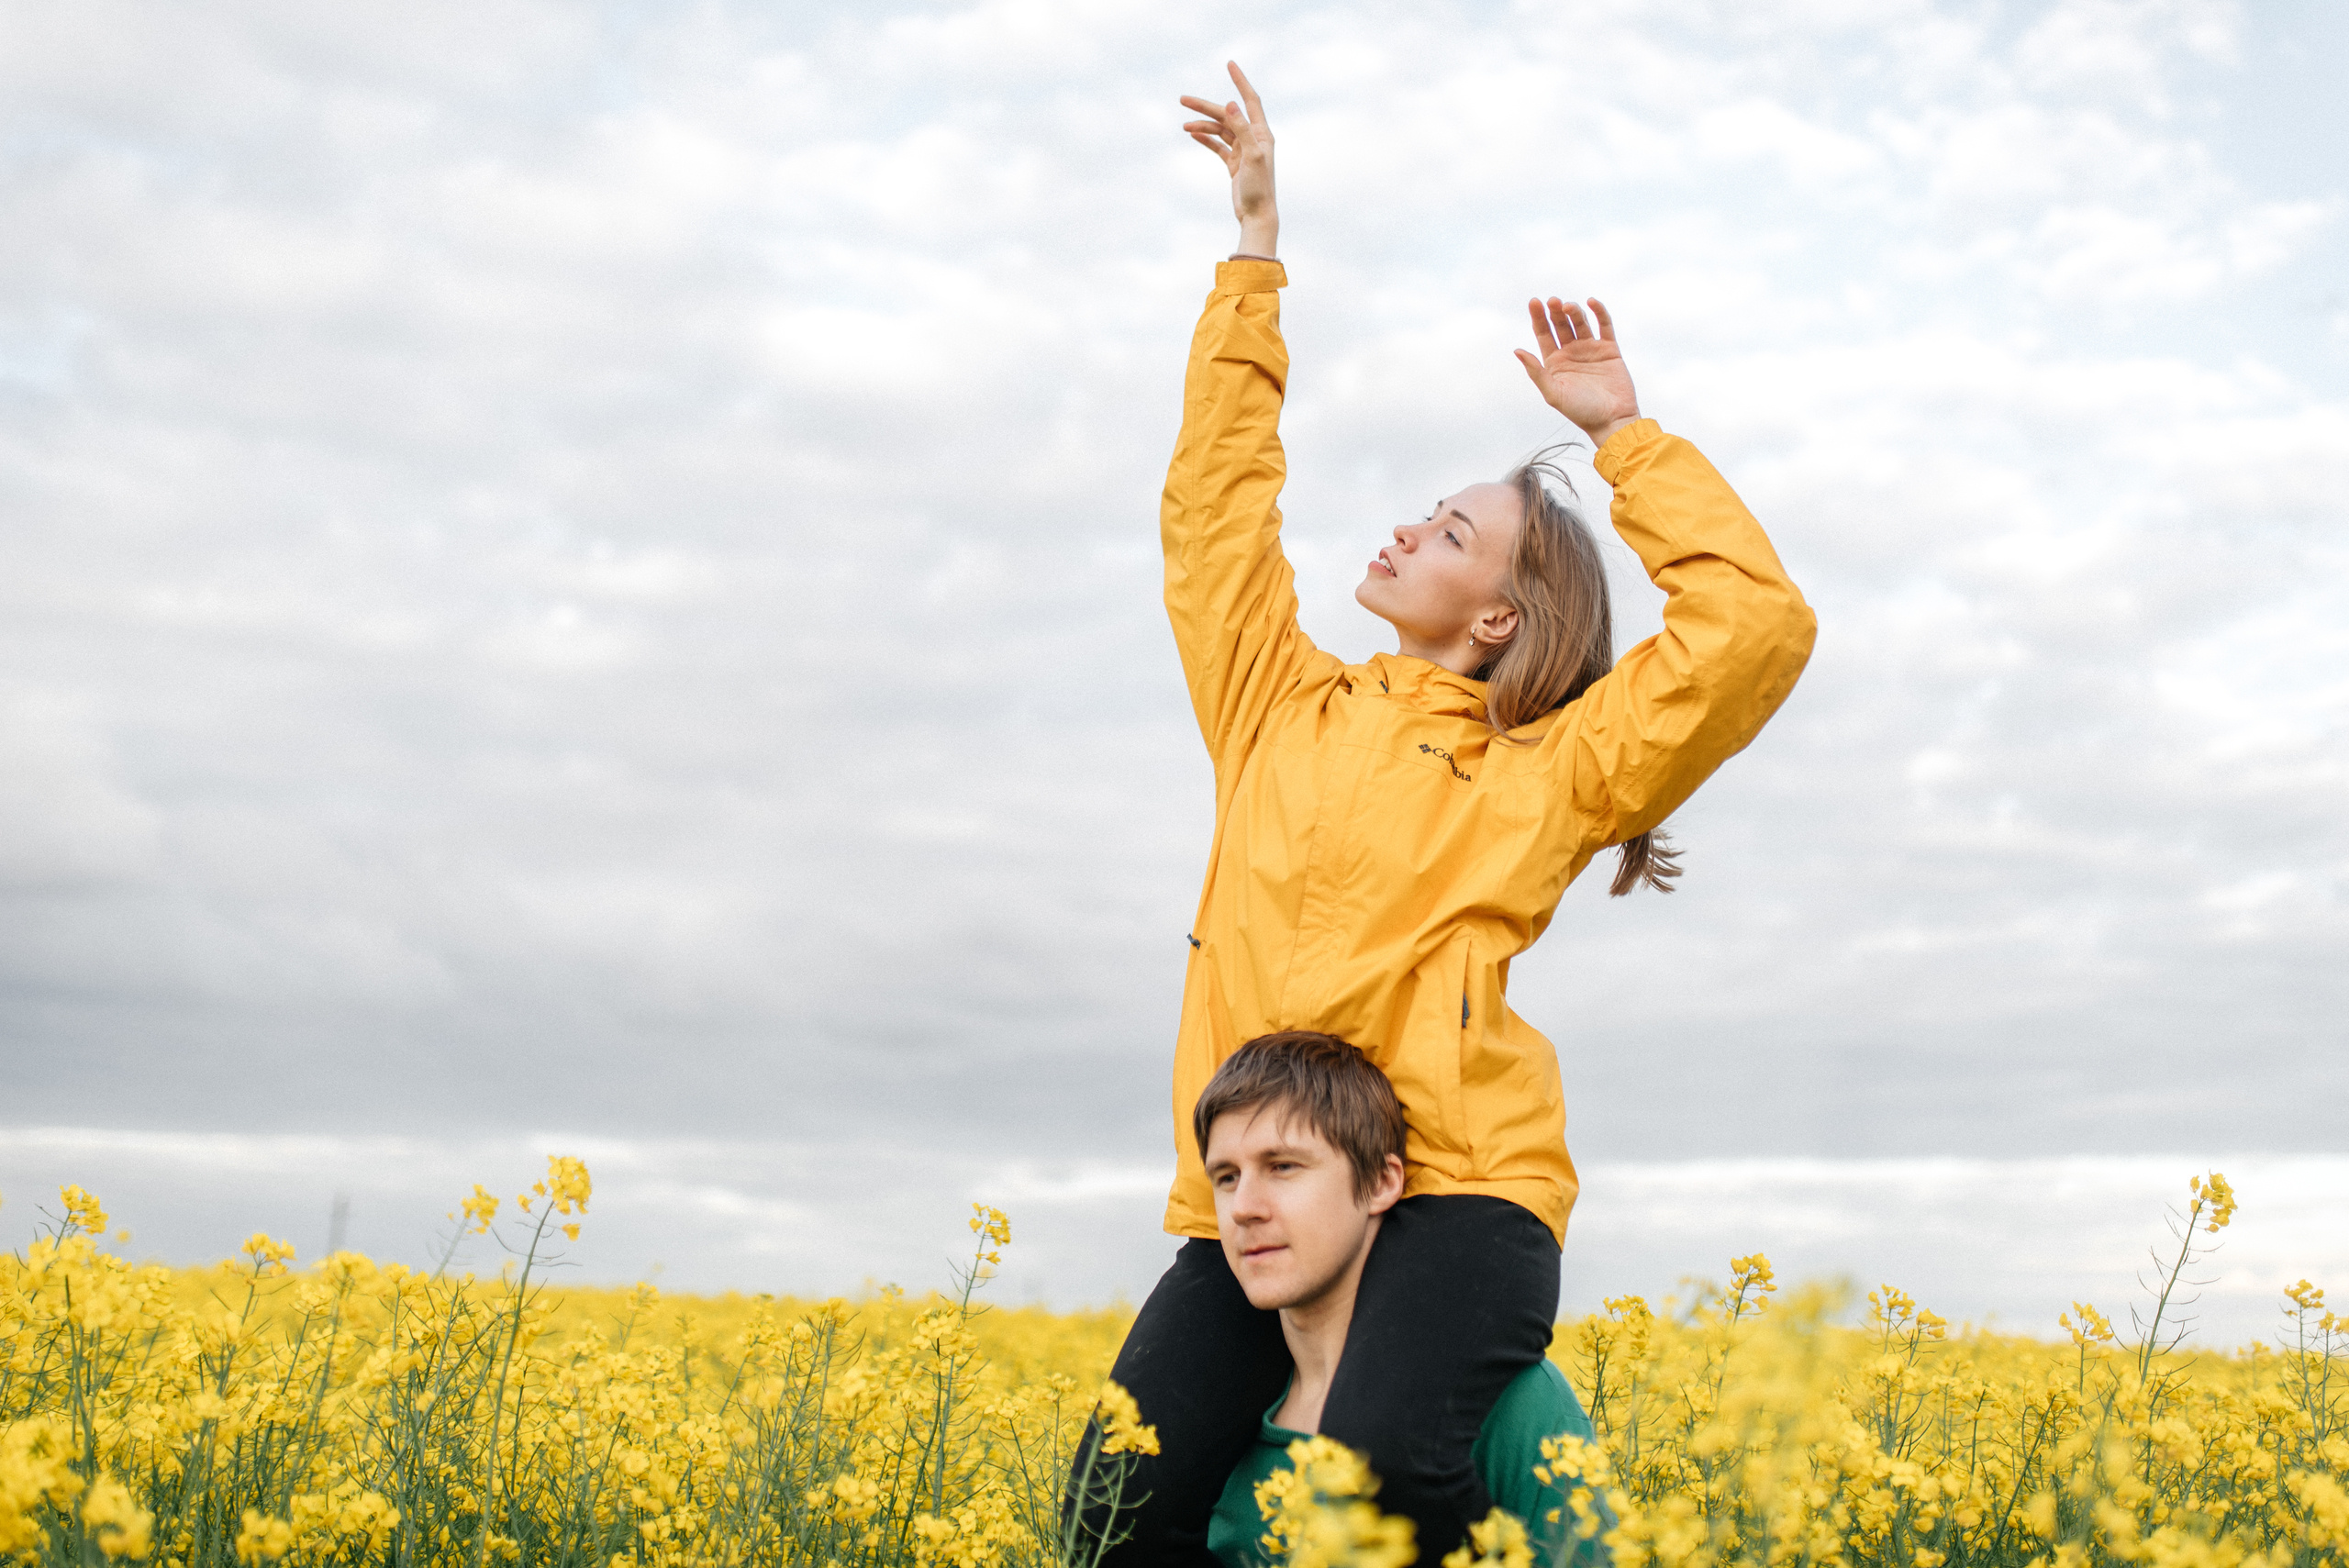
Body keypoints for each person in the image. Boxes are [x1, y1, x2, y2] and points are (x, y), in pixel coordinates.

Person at [1091, 60, 1816, 1568]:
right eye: (1427, 507)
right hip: (1270, 1188)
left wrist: (1628, 439)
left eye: (1454, 531)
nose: (1411, 525)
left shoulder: (1544, 774)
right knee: (1112, 1501)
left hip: (1459, 1200)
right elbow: (1213, 507)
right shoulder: (1272, 706)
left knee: (1362, 1499)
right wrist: (1252, 255)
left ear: (1495, 617)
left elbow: (1754, 632)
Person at [1194, 1031, 1609, 1568]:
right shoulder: (1202, 1425)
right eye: (1226, 1178)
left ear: (1381, 1182)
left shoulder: (1513, 1404)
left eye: (1283, 1167)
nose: (1244, 1207)